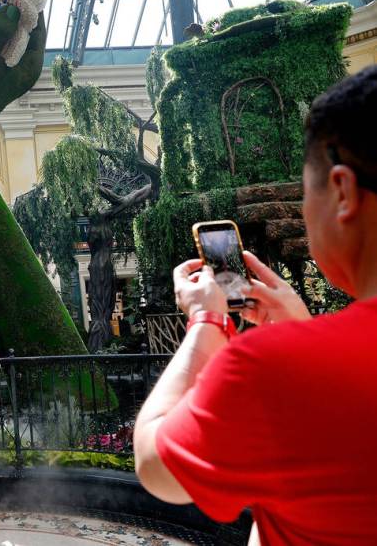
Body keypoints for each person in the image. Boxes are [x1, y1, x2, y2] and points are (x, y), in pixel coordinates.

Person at [134, 66, 377, 545]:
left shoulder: (275, 369)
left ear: (343, 193)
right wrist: (306, 332)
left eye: (309, 194)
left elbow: (156, 463)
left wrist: (208, 321)